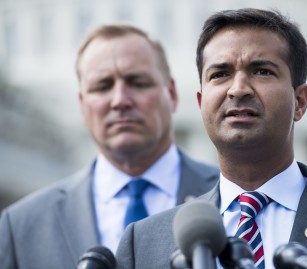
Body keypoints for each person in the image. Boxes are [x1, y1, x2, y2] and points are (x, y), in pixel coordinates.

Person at [116, 8, 307, 269]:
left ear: (301, 102)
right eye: (220, 74)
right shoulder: (144, 244)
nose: (238, 89)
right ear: (201, 103)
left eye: (262, 71)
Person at [0, 24, 219, 269]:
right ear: (82, 106)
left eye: (137, 82)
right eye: (102, 86)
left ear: (172, 94)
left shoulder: (236, 199)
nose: (120, 101)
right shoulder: (20, 227)